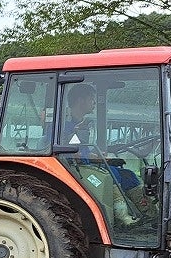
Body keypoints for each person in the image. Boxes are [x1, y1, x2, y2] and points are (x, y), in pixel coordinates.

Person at [61, 83, 149, 224]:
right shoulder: (64, 127)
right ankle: (123, 217)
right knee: (111, 175)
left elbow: (83, 150)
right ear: (80, 100)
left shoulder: (82, 125)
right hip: (75, 168)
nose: (94, 102)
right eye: (91, 98)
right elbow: (69, 153)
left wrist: (98, 157)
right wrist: (91, 157)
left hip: (86, 164)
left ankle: (149, 214)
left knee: (128, 175)